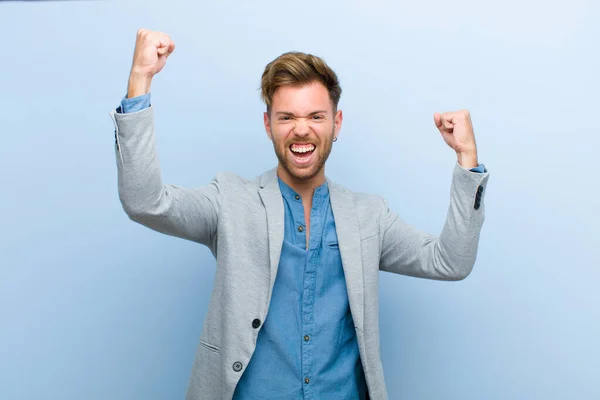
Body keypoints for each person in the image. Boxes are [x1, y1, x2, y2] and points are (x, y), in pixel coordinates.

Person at [109, 29, 489, 400]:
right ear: (268, 125)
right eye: (287, 117)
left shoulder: (369, 216)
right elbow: (145, 201)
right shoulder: (230, 201)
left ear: (336, 124)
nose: (302, 130)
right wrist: (140, 81)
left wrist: (467, 162)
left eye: (316, 117)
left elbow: (450, 262)